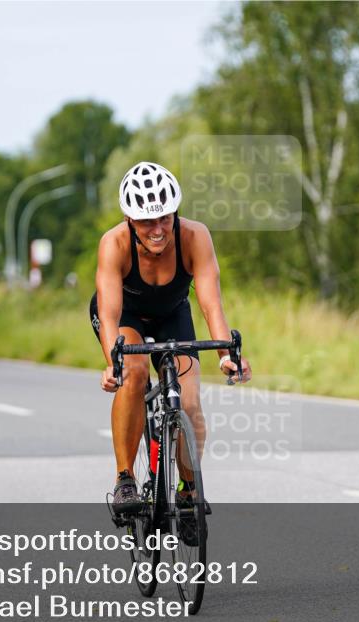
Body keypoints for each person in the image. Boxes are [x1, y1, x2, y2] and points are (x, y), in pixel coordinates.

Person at [90, 161, 251, 515]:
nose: (158, 229)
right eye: (147, 221)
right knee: (134, 375)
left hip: (172, 312)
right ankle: (125, 480)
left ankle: (188, 490)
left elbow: (211, 305)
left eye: (165, 217)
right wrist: (112, 365)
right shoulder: (114, 244)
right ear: (130, 220)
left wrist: (227, 355)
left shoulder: (195, 236)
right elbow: (110, 314)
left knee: (190, 401)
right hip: (126, 316)